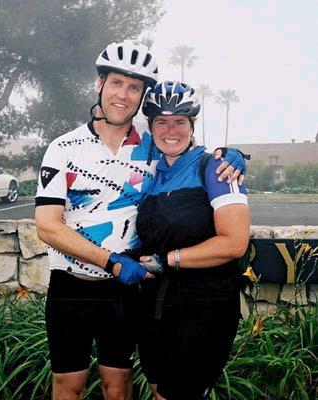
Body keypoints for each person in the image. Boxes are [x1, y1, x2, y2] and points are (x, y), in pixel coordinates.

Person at [35, 40, 248, 400]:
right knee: (67, 386)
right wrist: (111, 262)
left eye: (134, 87)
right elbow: (47, 225)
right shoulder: (63, 147)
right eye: (116, 83)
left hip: (125, 291)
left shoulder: (153, 145)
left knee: (118, 386)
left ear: (142, 97)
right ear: (99, 84)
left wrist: (232, 156)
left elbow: (187, 149)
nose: (123, 94)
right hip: (71, 285)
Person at [136, 80, 251, 400]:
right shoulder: (153, 172)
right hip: (156, 305)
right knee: (159, 388)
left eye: (180, 121)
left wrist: (168, 260)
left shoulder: (215, 167)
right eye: (161, 121)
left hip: (204, 307)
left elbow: (234, 243)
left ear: (192, 125)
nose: (170, 130)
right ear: (151, 125)